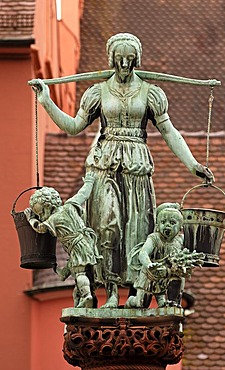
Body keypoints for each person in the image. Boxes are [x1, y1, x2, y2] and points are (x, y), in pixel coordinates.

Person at [30, 33, 214, 308]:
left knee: (137, 231)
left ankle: (134, 295)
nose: (125, 66)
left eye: (130, 60)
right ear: (112, 60)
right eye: (120, 60)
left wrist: (193, 164)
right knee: (107, 225)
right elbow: (73, 127)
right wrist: (46, 102)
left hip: (136, 165)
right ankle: (111, 291)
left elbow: (169, 131)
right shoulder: (98, 92)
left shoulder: (151, 93)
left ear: (136, 60)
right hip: (104, 163)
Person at [24, 172, 103, 308]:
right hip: (87, 242)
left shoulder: (53, 219)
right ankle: (66, 276)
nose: (41, 216)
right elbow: (83, 194)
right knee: (80, 268)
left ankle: (87, 295)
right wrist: (89, 182)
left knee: (80, 272)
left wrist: (31, 219)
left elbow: (40, 228)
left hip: (76, 245)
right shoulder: (70, 205)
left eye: (41, 212)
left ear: (49, 206)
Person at [125, 203, 204, 308]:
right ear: (157, 226)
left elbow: (192, 252)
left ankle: (172, 301)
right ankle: (131, 301)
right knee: (141, 304)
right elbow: (143, 253)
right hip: (150, 275)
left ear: (180, 227)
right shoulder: (154, 238)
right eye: (163, 222)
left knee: (178, 277)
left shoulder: (181, 240)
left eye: (172, 222)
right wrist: (149, 264)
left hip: (167, 275)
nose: (167, 225)